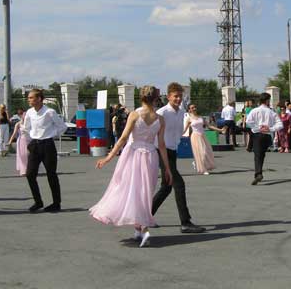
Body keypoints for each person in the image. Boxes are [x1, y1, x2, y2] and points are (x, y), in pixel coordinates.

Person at [91, 86, 172, 247]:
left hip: (133, 154)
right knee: (145, 192)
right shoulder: (160, 119)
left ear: (141, 98)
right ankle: (139, 229)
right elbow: (162, 145)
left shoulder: (135, 114)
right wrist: (167, 168)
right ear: (156, 99)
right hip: (150, 155)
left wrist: (108, 157)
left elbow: (122, 138)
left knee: (126, 188)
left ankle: (143, 230)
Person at [151, 82, 205, 233]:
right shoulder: (162, 113)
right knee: (178, 184)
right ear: (168, 96)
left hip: (172, 151)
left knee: (166, 187)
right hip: (161, 151)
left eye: (180, 96)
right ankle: (185, 222)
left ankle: (146, 216)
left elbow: (179, 131)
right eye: (175, 96)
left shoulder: (181, 112)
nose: (178, 99)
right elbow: (153, 133)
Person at [21, 89, 66, 212]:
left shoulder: (49, 112)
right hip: (35, 145)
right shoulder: (29, 112)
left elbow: (62, 127)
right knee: (30, 174)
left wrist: (51, 134)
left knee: (51, 174)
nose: (28, 100)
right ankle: (38, 201)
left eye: (31, 97)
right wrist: (30, 138)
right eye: (28, 98)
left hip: (47, 145)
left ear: (39, 99)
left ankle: (56, 203)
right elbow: (26, 128)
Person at [246, 92, 283, 185]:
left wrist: (258, 127)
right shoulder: (271, 112)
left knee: (257, 155)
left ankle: (258, 174)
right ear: (267, 101)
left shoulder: (254, 111)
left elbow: (248, 122)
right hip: (267, 136)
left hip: (257, 135)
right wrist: (270, 129)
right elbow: (280, 125)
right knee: (261, 155)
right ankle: (259, 173)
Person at [184, 103, 218, 175]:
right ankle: (203, 169)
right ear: (189, 110)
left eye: (195, 107)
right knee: (202, 153)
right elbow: (185, 130)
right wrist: (178, 135)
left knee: (207, 152)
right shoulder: (189, 119)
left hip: (202, 136)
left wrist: (220, 130)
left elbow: (209, 126)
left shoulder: (201, 117)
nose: (194, 108)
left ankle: (196, 163)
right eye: (192, 108)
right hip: (195, 137)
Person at [8, 109, 30, 176]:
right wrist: (10, 142)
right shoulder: (18, 124)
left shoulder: (30, 124)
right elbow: (14, 134)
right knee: (22, 156)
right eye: (24, 116)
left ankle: (30, 169)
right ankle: (23, 170)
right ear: (21, 116)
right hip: (21, 141)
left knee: (29, 156)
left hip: (29, 140)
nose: (25, 117)